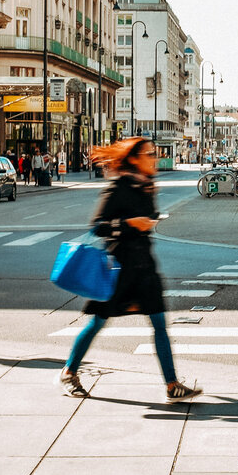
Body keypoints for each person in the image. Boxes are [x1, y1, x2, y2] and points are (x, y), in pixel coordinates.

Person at [59, 137, 201, 403]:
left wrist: (148, 220)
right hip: (119, 269)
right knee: (97, 322)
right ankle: (69, 372)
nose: (154, 158)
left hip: (145, 268)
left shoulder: (146, 186)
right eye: (149, 154)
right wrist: (130, 223)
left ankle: (172, 385)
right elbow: (99, 226)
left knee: (159, 323)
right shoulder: (119, 187)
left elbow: (149, 217)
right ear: (134, 159)